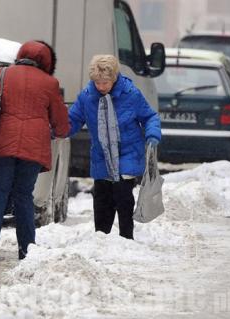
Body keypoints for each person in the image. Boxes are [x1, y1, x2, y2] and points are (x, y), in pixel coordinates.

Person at [0, 40, 69, 262]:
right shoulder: (50, 83)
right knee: (23, 197)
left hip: (2, 146)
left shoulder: (1, 74)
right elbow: (61, 124)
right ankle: (27, 251)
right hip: (33, 149)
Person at [68, 54, 161, 239]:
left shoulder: (131, 94)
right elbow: (73, 120)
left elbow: (150, 116)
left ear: (114, 77)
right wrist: (55, 131)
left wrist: (152, 134)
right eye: (97, 83)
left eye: (105, 83)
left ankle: (126, 237)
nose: (101, 87)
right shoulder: (87, 97)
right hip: (101, 154)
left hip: (127, 152)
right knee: (102, 197)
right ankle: (101, 238)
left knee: (123, 195)